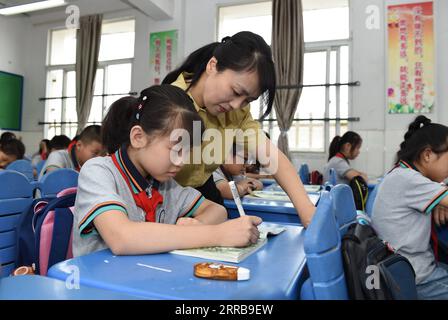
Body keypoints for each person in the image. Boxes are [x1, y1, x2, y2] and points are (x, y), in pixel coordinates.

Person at [73, 84, 262, 257]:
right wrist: (216, 234)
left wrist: (199, 225)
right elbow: (122, 238)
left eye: (188, 152)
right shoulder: (98, 171)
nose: (182, 161)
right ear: (138, 137)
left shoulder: (165, 184)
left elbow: (217, 210)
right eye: (176, 150)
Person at [163, 31, 315, 226]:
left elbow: (272, 156)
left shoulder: (237, 113)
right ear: (213, 66)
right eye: (236, 92)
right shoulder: (170, 103)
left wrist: (307, 210)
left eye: (247, 100)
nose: (236, 105)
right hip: (164, 199)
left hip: (204, 197)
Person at [371, 116, 448, 300]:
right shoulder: (409, 180)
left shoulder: (401, 173)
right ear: (428, 155)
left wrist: (440, 200)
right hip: (416, 278)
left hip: (408, 269)